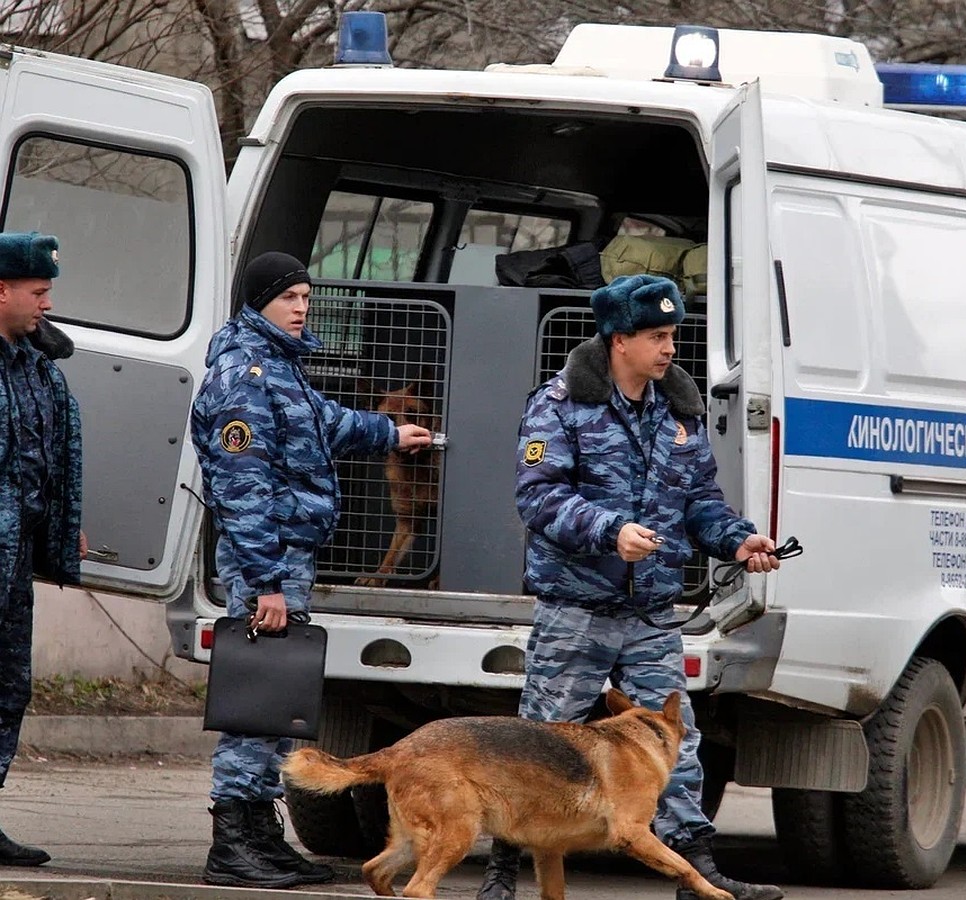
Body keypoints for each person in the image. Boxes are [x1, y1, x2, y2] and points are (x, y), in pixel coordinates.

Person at [478, 274, 783, 900]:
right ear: (620, 341)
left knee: (678, 739)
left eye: (673, 336)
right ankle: (501, 873)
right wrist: (609, 530)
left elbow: (699, 501)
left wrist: (737, 540)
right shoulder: (560, 405)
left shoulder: (678, 409)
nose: (671, 349)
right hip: (578, 605)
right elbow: (538, 498)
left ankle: (696, 870)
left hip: (650, 611)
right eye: (657, 337)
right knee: (538, 742)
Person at [190, 251, 431, 889]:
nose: (302, 307)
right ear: (260, 300)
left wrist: (390, 433)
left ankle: (260, 837)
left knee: (277, 705)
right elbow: (243, 486)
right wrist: (266, 581)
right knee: (259, 699)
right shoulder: (244, 374)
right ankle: (233, 845)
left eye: (306, 296)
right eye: (290, 297)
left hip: (285, 558)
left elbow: (325, 423)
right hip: (265, 563)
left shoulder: (281, 368)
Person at [0, 232, 86, 867]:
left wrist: (62, 520)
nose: (47, 304)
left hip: (15, 558)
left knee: (8, 688)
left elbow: (42, 455)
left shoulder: (34, 366)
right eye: (38, 291)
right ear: (1, 289)